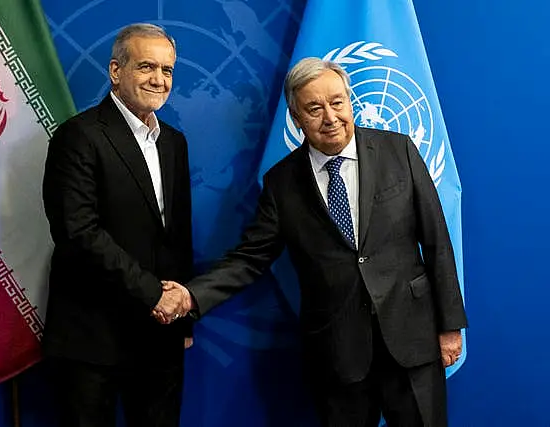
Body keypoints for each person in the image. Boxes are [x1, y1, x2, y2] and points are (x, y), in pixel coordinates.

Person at [154, 57, 467, 427]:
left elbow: (436, 240)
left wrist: (450, 326)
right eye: (315, 108)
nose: (331, 117)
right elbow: (249, 260)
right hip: (337, 353)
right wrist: (191, 297)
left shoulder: (398, 151)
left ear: (351, 103)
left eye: (337, 102)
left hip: (411, 340)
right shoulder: (281, 183)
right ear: (297, 118)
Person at [42, 23, 195, 427]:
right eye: (147, 67)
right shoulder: (78, 135)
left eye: (167, 70)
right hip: (94, 338)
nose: (159, 80)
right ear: (115, 71)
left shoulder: (173, 142)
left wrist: (183, 315)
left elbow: (176, 237)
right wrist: (151, 293)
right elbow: (78, 233)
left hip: (160, 336)